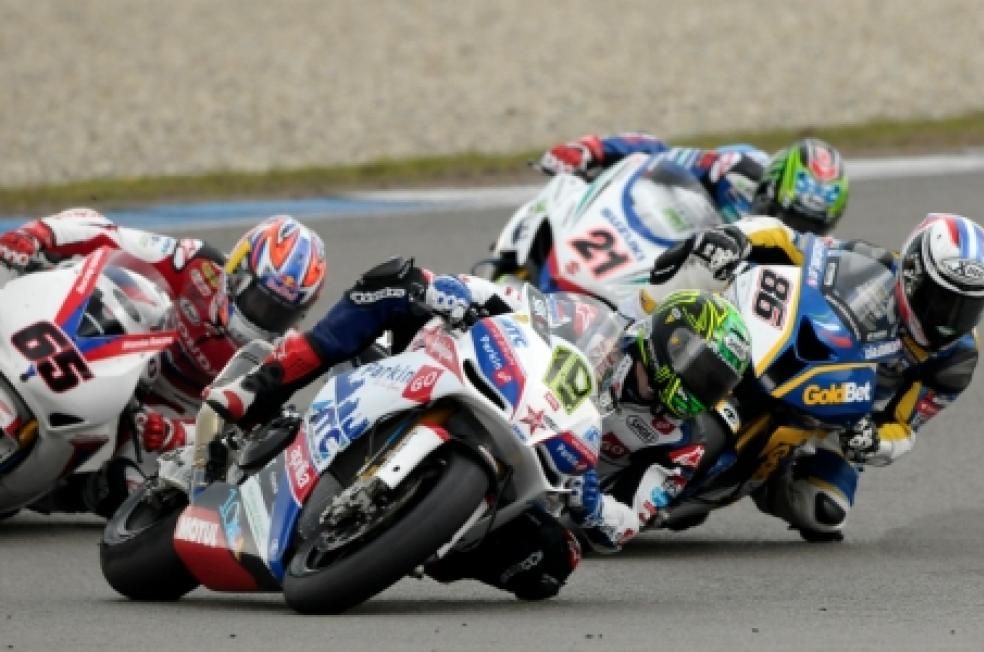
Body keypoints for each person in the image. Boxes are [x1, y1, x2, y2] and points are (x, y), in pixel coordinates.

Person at [203, 256, 753, 599]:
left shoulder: (680, 445)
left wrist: (593, 504)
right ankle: (262, 385)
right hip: (495, 387)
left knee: (552, 564)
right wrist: (458, 291)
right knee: (397, 282)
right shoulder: (601, 326)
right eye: (696, 364)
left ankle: (417, 541)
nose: (698, 384)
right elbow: (522, 305)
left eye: (713, 382)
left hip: (542, 486)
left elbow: (631, 522)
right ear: (666, 337)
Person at [632, 212, 984, 540]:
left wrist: (874, 442)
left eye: (968, 307)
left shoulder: (957, 359)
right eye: (941, 300)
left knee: (823, 510)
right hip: (796, 359)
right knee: (701, 275)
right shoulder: (870, 265)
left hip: (842, 422)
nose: (949, 319)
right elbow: (785, 239)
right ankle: (633, 324)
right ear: (913, 275)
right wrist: (737, 237)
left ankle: (767, 475)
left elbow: (905, 426)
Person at [0, 208, 327, 515]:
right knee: (81, 222)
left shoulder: (277, 353)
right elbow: (114, 236)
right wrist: (40, 235)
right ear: (238, 273)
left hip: (168, 414)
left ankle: (64, 490)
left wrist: (175, 433)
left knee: (135, 491)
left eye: (280, 313)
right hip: (131, 347)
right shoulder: (197, 263)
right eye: (261, 302)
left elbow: (245, 430)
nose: (263, 318)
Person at [537, 133, 849, 234]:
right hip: (661, 235)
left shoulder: (812, 254)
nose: (795, 231)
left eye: (810, 227)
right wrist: (593, 150)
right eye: (790, 218)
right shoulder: (735, 169)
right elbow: (661, 153)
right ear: (769, 191)